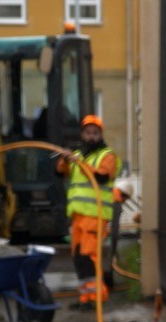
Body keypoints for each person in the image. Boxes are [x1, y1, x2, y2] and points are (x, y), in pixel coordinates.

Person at [57, 114, 118, 307]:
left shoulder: (107, 156)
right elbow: (60, 173)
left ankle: (97, 298)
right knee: (78, 257)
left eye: (95, 133)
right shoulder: (80, 156)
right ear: (82, 135)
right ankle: (86, 298)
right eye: (87, 133)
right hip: (78, 216)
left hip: (95, 215)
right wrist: (65, 160)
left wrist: (79, 162)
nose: (91, 136)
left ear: (100, 135)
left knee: (89, 256)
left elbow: (101, 177)